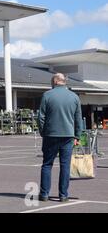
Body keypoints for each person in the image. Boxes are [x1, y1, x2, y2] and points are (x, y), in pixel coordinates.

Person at [38, 73, 83, 203]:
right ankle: (63, 195)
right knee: (65, 166)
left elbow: (41, 117)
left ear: (56, 81)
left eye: (52, 81)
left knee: (47, 165)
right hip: (68, 136)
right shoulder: (74, 97)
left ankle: (44, 194)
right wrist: (78, 135)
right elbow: (78, 119)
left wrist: (43, 132)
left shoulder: (47, 95)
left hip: (50, 135)